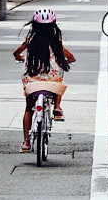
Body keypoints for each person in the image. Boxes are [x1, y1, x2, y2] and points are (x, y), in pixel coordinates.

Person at [13, 8, 75, 152]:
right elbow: (70, 57)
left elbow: (16, 53)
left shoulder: (30, 40)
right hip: (51, 81)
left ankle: (26, 142)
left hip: (32, 80)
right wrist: (67, 60)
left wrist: (19, 57)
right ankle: (58, 107)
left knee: (29, 108)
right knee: (58, 81)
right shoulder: (55, 41)